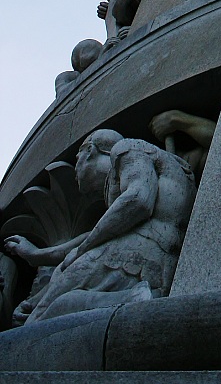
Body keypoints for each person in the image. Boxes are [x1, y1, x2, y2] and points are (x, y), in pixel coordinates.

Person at [4, 129, 195, 323]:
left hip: (140, 253)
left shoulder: (127, 148)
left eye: (77, 158)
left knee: (37, 320)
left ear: (89, 151)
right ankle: (132, 297)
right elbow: (91, 237)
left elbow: (138, 200)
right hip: (148, 260)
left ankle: (135, 298)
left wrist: (81, 251)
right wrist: (38, 256)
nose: (75, 171)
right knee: (58, 305)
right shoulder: (123, 180)